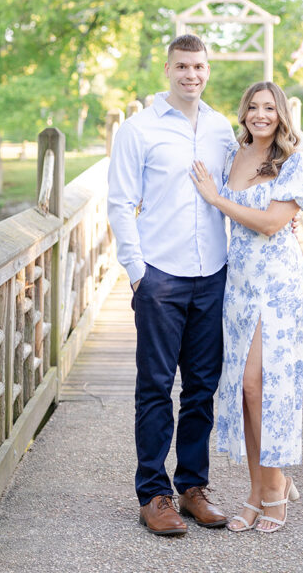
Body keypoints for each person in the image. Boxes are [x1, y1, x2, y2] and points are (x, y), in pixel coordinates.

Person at [107, 33, 235, 536]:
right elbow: (120, 202)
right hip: (160, 276)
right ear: (167, 69)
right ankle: (153, 494)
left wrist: (283, 214)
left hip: (213, 276)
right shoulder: (138, 130)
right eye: (182, 66)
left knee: (202, 388)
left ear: (208, 70)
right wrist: (138, 272)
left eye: (199, 67)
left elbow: (242, 184)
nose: (191, 75)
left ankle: (192, 487)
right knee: (156, 388)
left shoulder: (223, 128)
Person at [190, 80, 303, 534]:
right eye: (253, 107)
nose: (260, 114)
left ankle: (275, 487)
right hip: (237, 281)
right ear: (243, 113)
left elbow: (270, 222)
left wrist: (217, 199)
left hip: (277, 283)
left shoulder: (295, 164)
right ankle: (256, 489)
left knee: (259, 385)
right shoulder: (232, 155)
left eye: (269, 108)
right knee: (245, 392)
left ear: (281, 115)